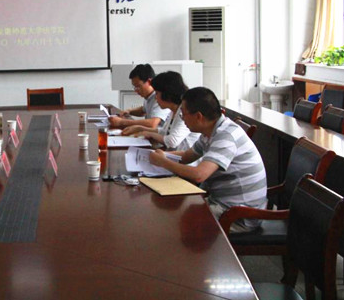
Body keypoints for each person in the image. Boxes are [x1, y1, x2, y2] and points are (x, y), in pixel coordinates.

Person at [149, 87, 267, 233]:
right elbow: (186, 156)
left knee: (175, 221)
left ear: (199, 116)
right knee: (173, 213)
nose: (182, 119)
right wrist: (162, 155)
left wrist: (163, 162)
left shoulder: (226, 136)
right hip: (223, 203)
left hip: (239, 215)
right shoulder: (210, 132)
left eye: (183, 114)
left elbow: (199, 175)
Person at [123, 71, 199, 150]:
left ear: (167, 94)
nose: (155, 98)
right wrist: (140, 128)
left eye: (157, 93)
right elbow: (164, 132)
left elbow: (172, 141)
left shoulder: (184, 112)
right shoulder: (173, 110)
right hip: (172, 153)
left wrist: (149, 134)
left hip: (182, 156)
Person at [108, 64, 170, 131]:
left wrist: (121, 122)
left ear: (149, 82)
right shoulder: (148, 96)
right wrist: (129, 111)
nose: (136, 90)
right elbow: (143, 110)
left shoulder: (159, 98)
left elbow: (152, 123)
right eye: (134, 87)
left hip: (159, 135)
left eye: (138, 86)